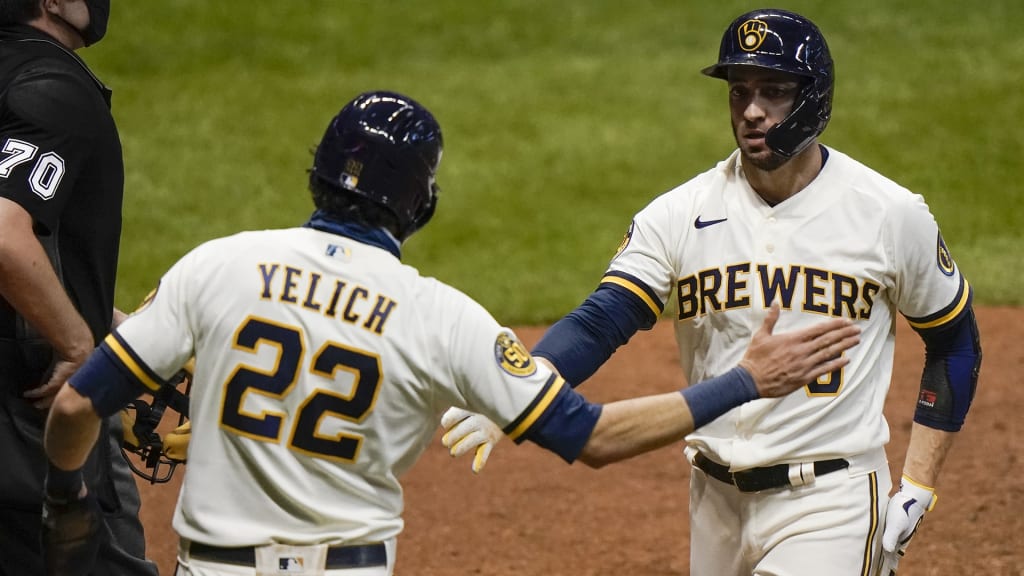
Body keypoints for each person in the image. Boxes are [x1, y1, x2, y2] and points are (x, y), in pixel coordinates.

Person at [40, 90, 860, 576]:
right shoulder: (441, 316)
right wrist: (745, 380)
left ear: (318, 173)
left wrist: (66, 498)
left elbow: (77, 406)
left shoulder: (216, 266)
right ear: (420, 203)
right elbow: (595, 437)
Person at [440, 8, 982, 576]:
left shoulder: (888, 214)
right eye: (739, 91)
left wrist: (918, 484)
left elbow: (955, 340)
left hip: (830, 502)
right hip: (713, 501)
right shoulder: (680, 213)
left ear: (815, 98)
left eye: (773, 91)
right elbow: (601, 322)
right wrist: (519, 388)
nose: (752, 111)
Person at [0, 1, 159, 575]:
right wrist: (75, 344)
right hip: (30, 411)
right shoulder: (51, 86)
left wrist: (113, 327)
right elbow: (4, 235)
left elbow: (40, 253)